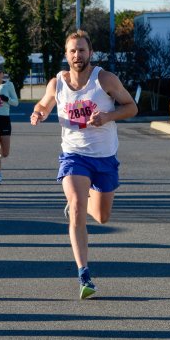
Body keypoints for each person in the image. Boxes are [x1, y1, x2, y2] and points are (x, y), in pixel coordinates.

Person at [30, 30, 137, 299]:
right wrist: (38, 113)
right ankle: (84, 275)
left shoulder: (105, 80)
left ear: (91, 53)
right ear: (66, 55)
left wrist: (108, 117)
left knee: (101, 216)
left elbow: (132, 107)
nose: (77, 55)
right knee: (77, 208)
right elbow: (44, 104)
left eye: (82, 50)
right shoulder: (58, 83)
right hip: (73, 155)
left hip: (104, 157)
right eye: (72, 51)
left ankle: (81, 198)